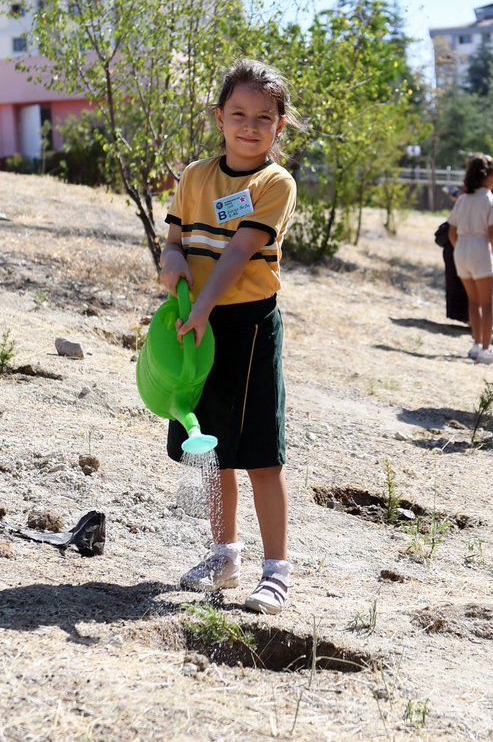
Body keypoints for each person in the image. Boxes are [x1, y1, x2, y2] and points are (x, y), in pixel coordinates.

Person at [159, 59, 299, 614]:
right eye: (238, 113)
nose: (249, 125)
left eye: (263, 117)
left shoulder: (275, 183)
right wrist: (171, 262)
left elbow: (239, 254)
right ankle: (224, 556)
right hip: (196, 324)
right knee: (210, 451)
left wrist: (205, 307)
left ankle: (276, 572)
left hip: (246, 328)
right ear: (219, 118)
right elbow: (175, 240)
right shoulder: (195, 176)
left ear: (279, 128)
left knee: (263, 455)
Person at [448, 154, 493, 363]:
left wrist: (461, 250)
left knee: (473, 301)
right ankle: (486, 348)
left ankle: (476, 344)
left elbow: (451, 232)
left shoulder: (463, 199)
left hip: (461, 250)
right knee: (487, 302)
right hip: (481, 248)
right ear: (489, 176)